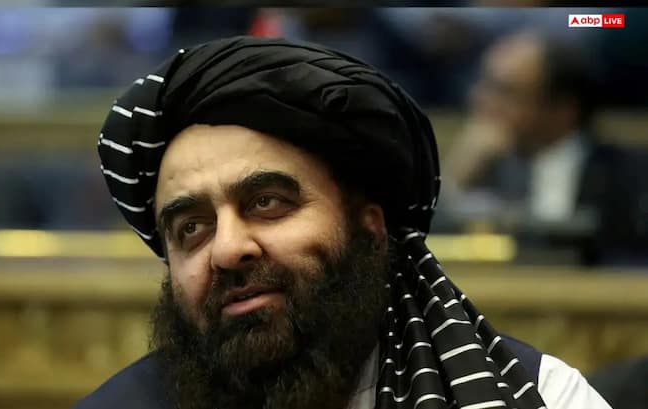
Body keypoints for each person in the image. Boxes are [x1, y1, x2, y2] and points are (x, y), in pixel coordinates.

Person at [77, 36, 612, 409]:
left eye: (267, 203)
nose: (227, 249)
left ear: (370, 227)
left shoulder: (542, 397)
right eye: (191, 228)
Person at [440, 28, 648, 265]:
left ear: (564, 110)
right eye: (483, 84)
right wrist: (457, 176)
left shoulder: (630, 178)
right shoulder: (483, 170)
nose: (478, 99)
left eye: (503, 91)